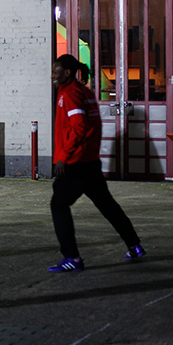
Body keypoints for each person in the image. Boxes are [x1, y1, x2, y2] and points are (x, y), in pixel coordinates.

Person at [48, 54, 145, 272]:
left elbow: (79, 126)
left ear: (67, 73)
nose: (52, 75)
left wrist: (65, 155)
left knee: (59, 205)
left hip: (75, 163)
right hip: (91, 162)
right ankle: (134, 245)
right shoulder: (86, 92)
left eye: (56, 71)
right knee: (107, 205)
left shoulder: (71, 93)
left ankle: (72, 257)